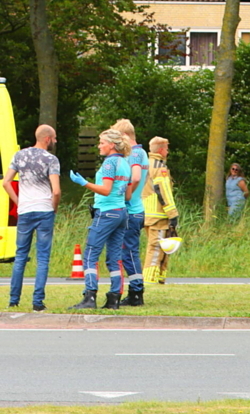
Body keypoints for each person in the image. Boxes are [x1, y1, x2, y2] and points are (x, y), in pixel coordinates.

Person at [68, 129, 131, 309]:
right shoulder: (125, 163)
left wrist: (84, 183)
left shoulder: (110, 163)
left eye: (102, 142)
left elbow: (106, 190)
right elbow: (127, 195)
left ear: (111, 145)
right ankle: (114, 298)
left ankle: (90, 297)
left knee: (90, 255)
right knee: (114, 258)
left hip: (106, 212)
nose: (99, 146)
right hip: (121, 212)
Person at [3, 125, 60, 312]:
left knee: (20, 255)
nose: (55, 141)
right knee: (42, 257)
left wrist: (18, 201)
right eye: (55, 138)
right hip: (44, 210)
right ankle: (37, 302)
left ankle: (13, 300)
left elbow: (6, 182)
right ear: (47, 139)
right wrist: (53, 208)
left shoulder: (20, 156)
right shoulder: (51, 159)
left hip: (25, 210)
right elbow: (56, 191)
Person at [111, 119, 148, 306]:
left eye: (118, 138)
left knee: (129, 253)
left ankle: (136, 292)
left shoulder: (134, 153)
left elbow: (135, 177)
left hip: (131, 210)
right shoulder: (142, 152)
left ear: (125, 136)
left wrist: (125, 196)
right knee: (130, 252)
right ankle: (135, 290)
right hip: (138, 208)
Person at [142, 136, 178, 285]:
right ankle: (151, 280)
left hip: (145, 213)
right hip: (158, 214)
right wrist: (173, 213)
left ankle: (156, 278)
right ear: (162, 150)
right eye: (167, 149)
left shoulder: (144, 164)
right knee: (157, 248)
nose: (168, 152)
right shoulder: (159, 167)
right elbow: (164, 191)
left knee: (155, 246)